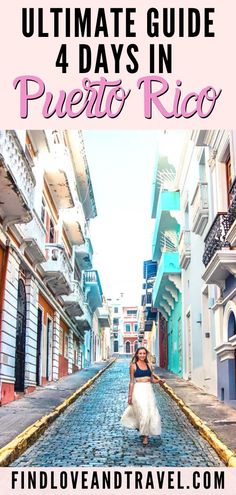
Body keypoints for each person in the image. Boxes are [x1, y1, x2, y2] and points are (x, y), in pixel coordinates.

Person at [121, 347, 164, 445]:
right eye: (140, 353)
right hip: (138, 390)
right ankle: (145, 436)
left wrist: (159, 381)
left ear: (146, 354)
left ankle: (144, 430)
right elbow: (131, 382)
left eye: (144, 353)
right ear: (137, 355)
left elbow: (152, 380)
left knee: (150, 412)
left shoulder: (149, 365)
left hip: (148, 390)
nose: (142, 355)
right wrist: (130, 396)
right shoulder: (133, 366)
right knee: (143, 412)